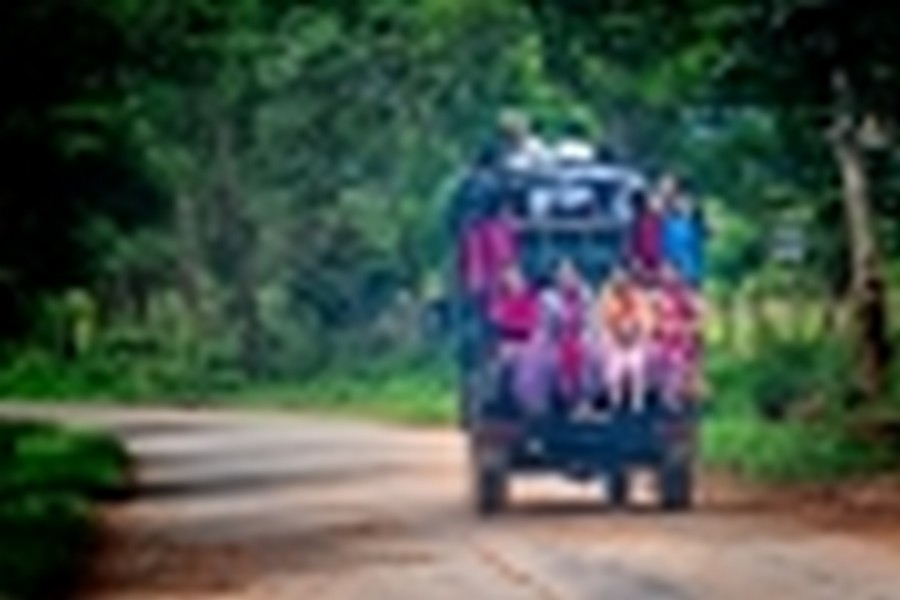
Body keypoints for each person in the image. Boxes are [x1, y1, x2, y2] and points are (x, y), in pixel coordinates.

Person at [489, 265, 553, 415]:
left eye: (516, 278)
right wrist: (512, 326)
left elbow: (534, 321)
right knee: (504, 360)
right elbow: (498, 320)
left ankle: (534, 403)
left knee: (536, 357)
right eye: (509, 280)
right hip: (508, 342)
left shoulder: (531, 298)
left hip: (530, 343)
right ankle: (505, 401)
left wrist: (520, 327)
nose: (514, 282)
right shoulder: (500, 300)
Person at [541, 259, 600, 408]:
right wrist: (559, 335)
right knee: (556, 356)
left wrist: (586, 335)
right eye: (562, 274)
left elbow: (592, 320)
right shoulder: (548, 297)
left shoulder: (586, 293)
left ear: (577, 276)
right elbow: (546, 326)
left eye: (570, 274)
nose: (567, 278)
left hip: (581, 336)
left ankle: (585, 400)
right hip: (555, 339)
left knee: (588, 351)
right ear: (555, 277)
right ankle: (563, 399)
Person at [597, 266, 652, 411]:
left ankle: (637, 400)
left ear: (628, 279)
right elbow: (602, 320)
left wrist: (636, 335)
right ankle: (615, 400)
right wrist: (614, 336)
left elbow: (646, 320)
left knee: (637, 368)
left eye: (622, 277)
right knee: (613, 372)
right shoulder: (606, 295)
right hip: (615, 340)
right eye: (615, 278)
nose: (619, 281)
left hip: (635, 339)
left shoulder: (639, 295)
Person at [648, 263, 702, 407]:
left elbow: (697, 314)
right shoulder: (655, 296)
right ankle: (670, 393)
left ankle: (688, 389)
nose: (669, 277)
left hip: (683, 335)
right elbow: (649, 321)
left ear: (679, 276)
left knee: (689, 352)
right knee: (671, 357)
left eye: (673, 274)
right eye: (666, 274)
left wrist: (691, 326)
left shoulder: (686, 294)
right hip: (663, 338)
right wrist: (662, 327)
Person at [659, 174, 706, 288]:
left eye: (667, 184)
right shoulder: (665, 206)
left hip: (686, 259)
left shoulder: (686, 203)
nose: (664, 187)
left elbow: (698, 226)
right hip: (670, 255)